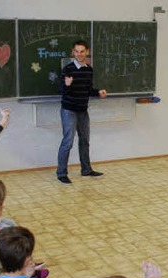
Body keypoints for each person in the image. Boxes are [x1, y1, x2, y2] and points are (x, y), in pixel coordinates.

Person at [57, 40, 107, 184]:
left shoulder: (89, 70)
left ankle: (86, 169)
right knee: (68, 142)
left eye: (82, 51)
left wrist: (98, 92)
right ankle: (61, 173)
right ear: (73, 52)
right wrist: (67, 85)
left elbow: (88, 90)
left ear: (87, 52)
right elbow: (61, 90)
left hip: (83, 110)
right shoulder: (67, 69)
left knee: (85, 140)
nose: (79, 54)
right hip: (69, 110)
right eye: (77, 51)